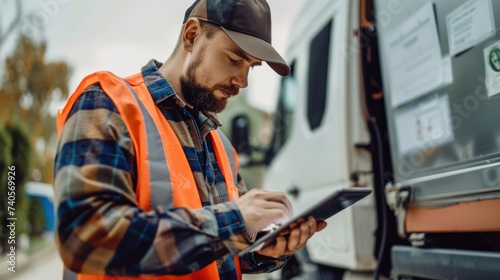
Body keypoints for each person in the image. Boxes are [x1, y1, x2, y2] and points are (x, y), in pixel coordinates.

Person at [53, 0, 326, 279]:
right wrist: (235, 220)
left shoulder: (221, 146)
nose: (242, 81)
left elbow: (220, 252)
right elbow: (84, 238)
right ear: (191, 35)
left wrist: (264, 249)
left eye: (252, 67)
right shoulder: (108, 105)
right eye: (234, 59)